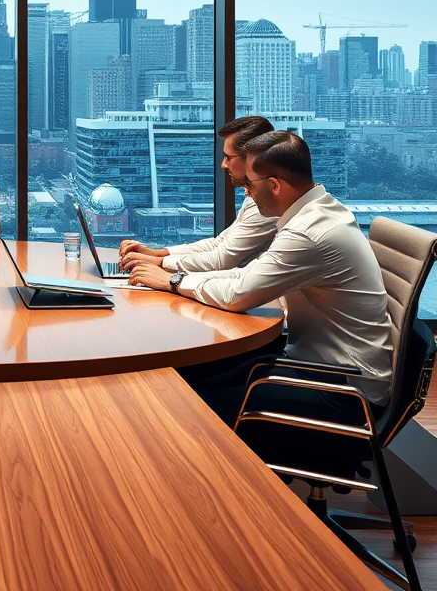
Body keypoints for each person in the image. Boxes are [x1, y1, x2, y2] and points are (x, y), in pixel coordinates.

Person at [128, 131, 394, 436]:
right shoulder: (317, 213)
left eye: (249, 184)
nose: (246, 192)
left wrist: (173, 281)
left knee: (189, 409)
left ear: (274, 185)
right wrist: (172, 277)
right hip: (320, 368)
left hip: (343, 393)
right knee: (188, 381)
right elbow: (246, 276)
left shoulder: (307, 233)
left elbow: (237, 294)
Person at [119, 115, 277, 275]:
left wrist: (159, 263)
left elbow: (222, 259)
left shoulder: (267, 203)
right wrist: (157, 253)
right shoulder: (253, 196)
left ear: (251, 158)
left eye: (228, 157)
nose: (223, 164)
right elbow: (220, 244)